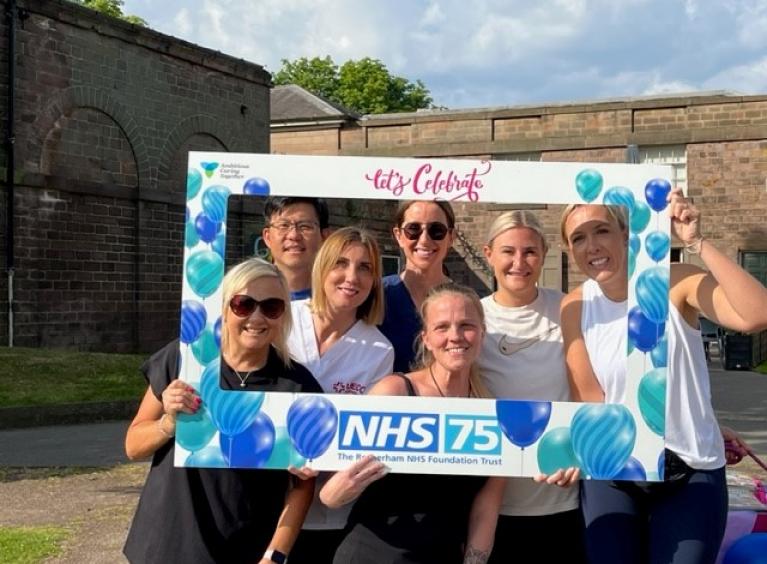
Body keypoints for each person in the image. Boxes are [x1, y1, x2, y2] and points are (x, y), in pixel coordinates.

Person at [560, 190, 767, 564]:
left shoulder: (676, 280)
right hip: (614, 470)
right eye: (578, 237)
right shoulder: (575, 304)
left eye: (601, 230)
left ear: (625, 234)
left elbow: (756, 314)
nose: (592, 246)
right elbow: (589, 398)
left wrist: (696, 241)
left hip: (690, 470)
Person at [123, 258, 322, 564]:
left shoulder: (297, 385)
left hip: (246, 548)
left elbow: (302, 486)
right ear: (225, 307)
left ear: (283, 315)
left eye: (271, 307)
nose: (257, 317)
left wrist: (275, 555)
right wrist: (168, 423)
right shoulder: (185, 359)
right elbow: (133, 445)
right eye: (244, 304)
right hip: (167, 543)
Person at [320, 282, 506, 564]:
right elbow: (331, 495)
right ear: (427, 339)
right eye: (442, 327)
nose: (455, 336)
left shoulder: (495, 415)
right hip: (369, 554)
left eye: (466, 325)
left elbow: (485, 509)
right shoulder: (394, 392)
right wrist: (338, 487)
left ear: (482, 334)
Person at [478, 210, 585, 564]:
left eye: (530, 252)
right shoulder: (470, 320)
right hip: (490, 507)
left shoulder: (570, 308)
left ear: (544, 255)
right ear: (488, 252)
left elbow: (603, 387)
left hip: (563, 498)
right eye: (508, 251)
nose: (519, 262)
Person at [287, 226, 395, 563]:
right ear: (322, 267)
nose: (352, 276)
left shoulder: (378, 349)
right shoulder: (283, 320)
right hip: (264, 502)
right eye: (341, 263)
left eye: (365, 267)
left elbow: (367, 432)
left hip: (329, 514)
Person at [379, 200, 455, 372]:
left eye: (436, 230)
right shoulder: (376, 296)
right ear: (398, 235)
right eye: (413, 229)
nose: (424, 239)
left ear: (451, 237)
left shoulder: (467, 304)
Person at [262, 196, 330, 300]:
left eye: (305, 226)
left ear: (324, 237)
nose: (294, 236)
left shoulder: (339, 300)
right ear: (267, 237)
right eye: (284, 225)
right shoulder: (245, 294)